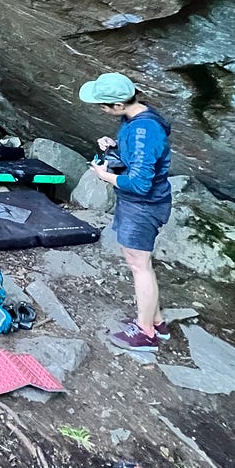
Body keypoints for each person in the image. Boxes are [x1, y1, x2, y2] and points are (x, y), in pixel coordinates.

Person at [79, 72, 173, 353]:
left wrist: (104, 175)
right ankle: (155, 321)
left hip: (143, 206)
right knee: (140, 262)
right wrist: (116, 146)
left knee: (139, 266)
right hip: (137, 205)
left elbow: (140, 184)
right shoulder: (137, 119)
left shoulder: (145, 130)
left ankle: (145, 333)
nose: (102, 109)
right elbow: (142, 157)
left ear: (120, 104)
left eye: (104, 105)